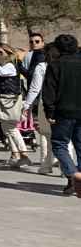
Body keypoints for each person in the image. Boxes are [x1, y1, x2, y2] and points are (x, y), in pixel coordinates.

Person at [42, 33, 81, 198]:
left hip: (62, 112)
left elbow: (49, 90)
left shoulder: (55, 65)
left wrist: (49, 111)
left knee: (59, 144)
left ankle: (73, 175)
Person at [0, 45, 30, 168]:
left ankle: (24, 155)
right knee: (6, 128)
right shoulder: (5, 66)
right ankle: (15, 155)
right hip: (4, 100)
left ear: (8, 54)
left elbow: (0, 72)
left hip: (10, 101)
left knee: (11, 128)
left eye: (1, 52)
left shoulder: (10, 66)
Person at [22, 43, 57, 176]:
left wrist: (27, 105)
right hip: (62, 105)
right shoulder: (63, 66)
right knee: (65, 138)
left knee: (47, 136)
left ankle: (46, 165)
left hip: (46, 104)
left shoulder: (42, 67)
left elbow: (35, 88)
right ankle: (65, 168)